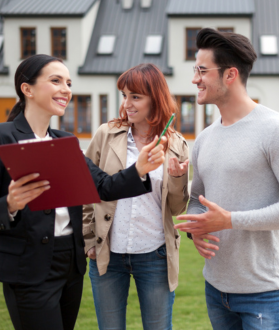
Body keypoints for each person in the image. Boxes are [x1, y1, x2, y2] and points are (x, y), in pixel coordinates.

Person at [0, 54, 167, 330]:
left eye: (69, 82)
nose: (66, 89)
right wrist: (10, 204)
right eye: (56, 80)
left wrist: (139, 170)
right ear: (27, 89)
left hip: (70, 267)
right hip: (28, 268)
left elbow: (103, 187)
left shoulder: (66, 142)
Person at [174, 28, 279, 330]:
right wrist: (196, 231)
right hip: (215, 287)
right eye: (194, 70)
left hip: (263, 292)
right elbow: (198, 200)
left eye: (202, 70)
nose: (194, 79)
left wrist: (229, 220)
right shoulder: (204, 139)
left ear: (230, 75)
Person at [83, 63, 189, 330]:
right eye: (125, 96)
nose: (127, 104)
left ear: (156, 98)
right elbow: (85, 188)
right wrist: (88, 240)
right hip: (108, 252)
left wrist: (177, 178)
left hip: (154, 254)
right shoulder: (105, 135)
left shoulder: (176, 144)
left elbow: (176, 209)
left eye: (136, 96)